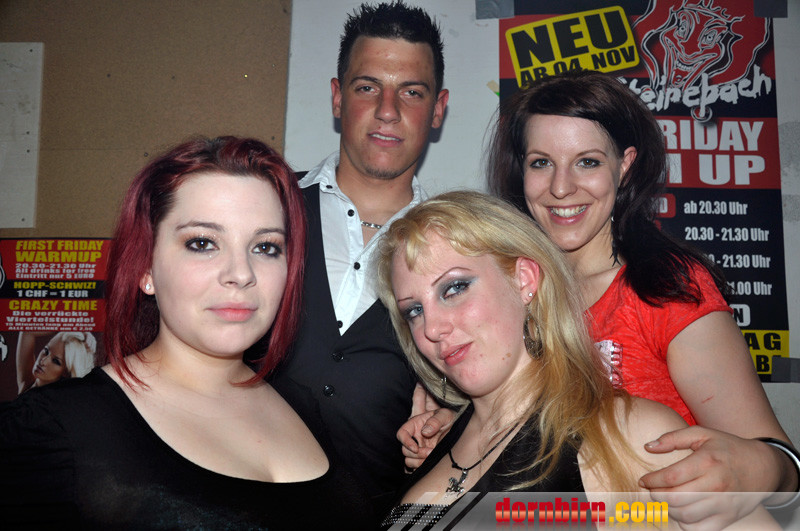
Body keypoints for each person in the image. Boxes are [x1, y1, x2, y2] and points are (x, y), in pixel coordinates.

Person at [480, 69, 798, 527]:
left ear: (625, 164)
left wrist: (761, 468)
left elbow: (782, 467)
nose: (561, 187)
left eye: (587, 162)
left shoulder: (667, 291)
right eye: (541, 162)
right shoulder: (509, 293)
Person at [0, 137, 372, 528]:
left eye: (265, 247)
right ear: (145, 267)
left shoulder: (302, 404)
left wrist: (424, 475)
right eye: (202, 243)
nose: (241, 274)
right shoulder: (52, 428)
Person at [376, 191, 774, 528]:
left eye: (454, 288)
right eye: (414, 310)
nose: (432, 328)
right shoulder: (436, 444)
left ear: (524, 280)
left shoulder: (627, 435)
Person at [269, 0, 449, 515]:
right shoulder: (266, 209)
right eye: (368, 87)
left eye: (411, 92)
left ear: (438, 109)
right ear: (337, 97)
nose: (388, 110)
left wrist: (454, 418)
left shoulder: (460, 249)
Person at [15, 331, 96, 394]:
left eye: (56, 361)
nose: (43, 361)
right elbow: (27, 331)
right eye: (46, 351)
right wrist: (74, 328)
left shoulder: (48, 404)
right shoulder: (27, 384)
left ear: (66, 373)